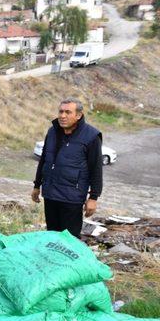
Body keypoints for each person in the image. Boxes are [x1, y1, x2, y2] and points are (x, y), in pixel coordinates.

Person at [31, 98, 103, 238]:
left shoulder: (91, 136)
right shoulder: (52, 132)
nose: (62, 116)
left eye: (68, 112)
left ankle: (68, 260)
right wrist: (37, 185)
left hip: (72, 198)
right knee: (52, 236)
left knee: (69, 240)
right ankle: (52, 259)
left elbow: (96, 169)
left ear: (78, 115)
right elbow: (44, 159)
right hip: (51, 194)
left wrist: (93, 197)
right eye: (61, 111)